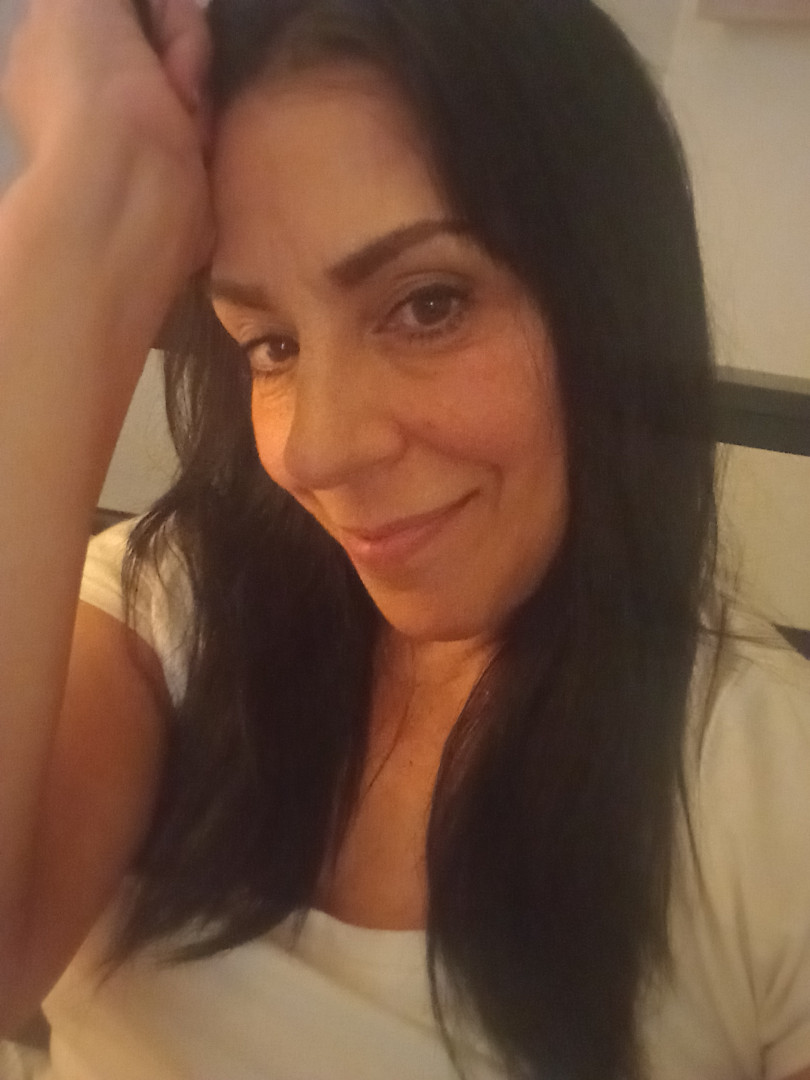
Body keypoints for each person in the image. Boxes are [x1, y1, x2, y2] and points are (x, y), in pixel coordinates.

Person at [0, 0, 809, 1077]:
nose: (316, 451)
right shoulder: (169, 605)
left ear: (611, 305)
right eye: (271, 344)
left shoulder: (767, 788)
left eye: (428, 305)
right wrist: (75, 214)